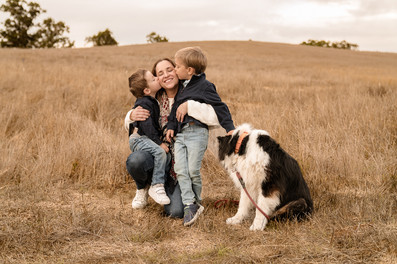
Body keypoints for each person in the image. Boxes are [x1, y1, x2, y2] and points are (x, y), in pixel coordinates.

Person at [125, 58, 220, 218]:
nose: (166, 75)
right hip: (158, 157)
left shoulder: (192, 91)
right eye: (160, 73)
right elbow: (138, 119)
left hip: (178, 167)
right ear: (156, 79)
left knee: (176, 211)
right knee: (136, 160)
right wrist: (130, 115)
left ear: (177, 70)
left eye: (170, 69)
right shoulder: (154, 97)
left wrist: (189, 106)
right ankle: (144, 187)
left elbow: (217, 117)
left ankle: (170, 189)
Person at [166, 47, 235, 226]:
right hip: (180, 135)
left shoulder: (205, 86)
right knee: (181, 169)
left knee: (192, 171)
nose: (175, 69)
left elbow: (220, 107)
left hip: (197, 132)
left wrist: (230, 128)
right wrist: (171, 126)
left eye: (178, 66)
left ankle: (196, 201)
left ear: (190, 70)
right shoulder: (181, 87)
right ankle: (190, 203)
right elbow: (175, 110)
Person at [128, 69, 170, 205]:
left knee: (164, 155)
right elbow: (147, 127)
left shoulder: (151, 100)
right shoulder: (145, 103)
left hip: (144, 138)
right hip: (140, 138)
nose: (158, 78)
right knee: (160, 152)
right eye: (153, 79)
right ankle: (155, 186)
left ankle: (155, 184)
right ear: (146, 90)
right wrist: (159, 143)